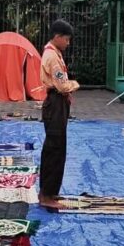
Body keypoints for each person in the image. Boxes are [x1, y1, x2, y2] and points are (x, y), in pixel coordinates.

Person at [39, 19, 80, 208]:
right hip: (55, 102)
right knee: (54, 148)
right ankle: (46, 195)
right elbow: (62, 85)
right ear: (57, 37)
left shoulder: (55, 54)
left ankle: (51, 192)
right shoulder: (52, 57)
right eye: (66, 39)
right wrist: (74, 84)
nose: (68, 43)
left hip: (58, 102)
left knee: (58, 146)